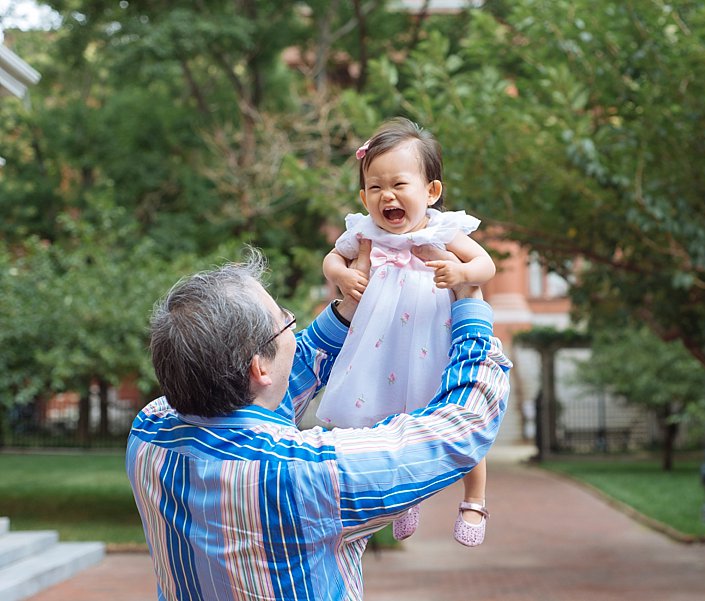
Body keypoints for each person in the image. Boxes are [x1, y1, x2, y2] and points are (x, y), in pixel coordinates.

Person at [126, 246, 510, 601]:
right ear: (258, 365)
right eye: (285, 321)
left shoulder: (149, 432)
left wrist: (349, 308)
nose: (294, 328)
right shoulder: (309, 472)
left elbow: (278, 380)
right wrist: (471, 308)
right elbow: (462, 426)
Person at [316, 117, 497, 546]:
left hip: (436, 341)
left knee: (457, 417)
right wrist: (342, 277)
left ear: (430, 192)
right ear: (363, 197)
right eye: (375, 188)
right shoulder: (364, 233)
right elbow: (330, 260)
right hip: (384, 347)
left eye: (399, 184)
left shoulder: (443, 230)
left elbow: (485, 266)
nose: (387, 196)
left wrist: (459, 270)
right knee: (391, 417)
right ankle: (404, 496)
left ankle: (475, 498)